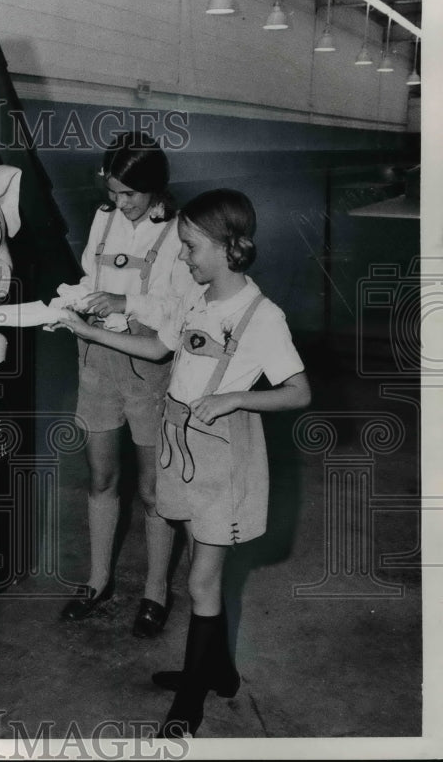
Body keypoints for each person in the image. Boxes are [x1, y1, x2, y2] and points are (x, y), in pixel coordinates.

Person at [57, 188, 311, 737]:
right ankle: (218, 671)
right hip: (182, 445)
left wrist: (238, 397)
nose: (184, 258)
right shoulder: (196, 301)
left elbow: (298, 392)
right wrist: (85, 330)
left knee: (200, 580)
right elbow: (156, 349)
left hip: (223, 455)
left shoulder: (261, 316)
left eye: (191, 248)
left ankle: (189, 703)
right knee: (204, 566)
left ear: (225, 248)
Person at [56, 132, 200, 636]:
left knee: (153, 489)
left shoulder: (179, 233)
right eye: (113, 193)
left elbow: (172, 314)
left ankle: (155, 591)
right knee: (100, 478)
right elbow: (88, 278)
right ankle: (98, 581)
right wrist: (72, 301)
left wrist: (123, 304)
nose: (120, 204)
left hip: (146, 367)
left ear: (155, 188)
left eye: (130, 195)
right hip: (96, 361)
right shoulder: (103, 219)